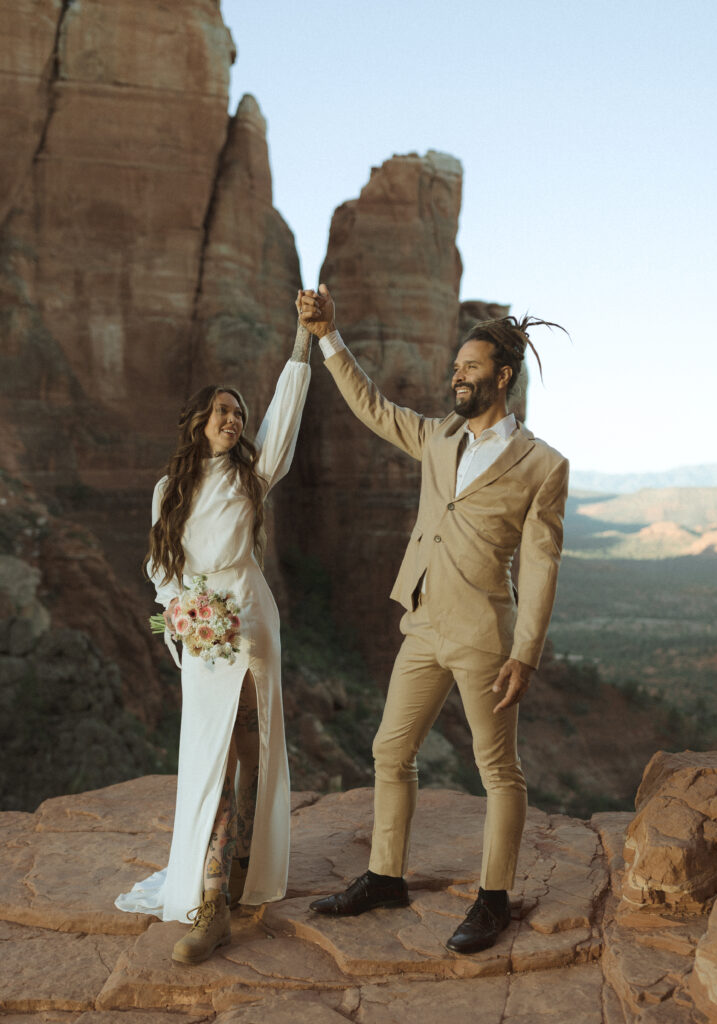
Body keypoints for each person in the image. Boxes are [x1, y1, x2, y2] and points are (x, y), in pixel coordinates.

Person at [298, 284, 569, 954]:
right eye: (454, 368)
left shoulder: (542, 465)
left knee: (497, 769)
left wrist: (525, 653)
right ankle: (384, 876)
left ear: (500, 378)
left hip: (483, 634)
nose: (455, 377)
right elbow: (372, 408)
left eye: (468, 369)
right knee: (390, 751)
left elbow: (539, 565)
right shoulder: (439, 436)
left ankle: (492, 899)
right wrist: (328, 335)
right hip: (421, 623)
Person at [115, 323, 314, 964]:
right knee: (214, 755)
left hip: (251, 621)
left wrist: (302, 347)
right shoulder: (166, 491)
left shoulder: (253, 474)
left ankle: (231, 883)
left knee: (250, 743)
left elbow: (283, 421)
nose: (235, 418)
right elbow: (159, 568)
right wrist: (180, 613)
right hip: (202, 630)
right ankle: (211, 897)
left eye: (240, 412)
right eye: (224, 410)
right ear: (200, 419)